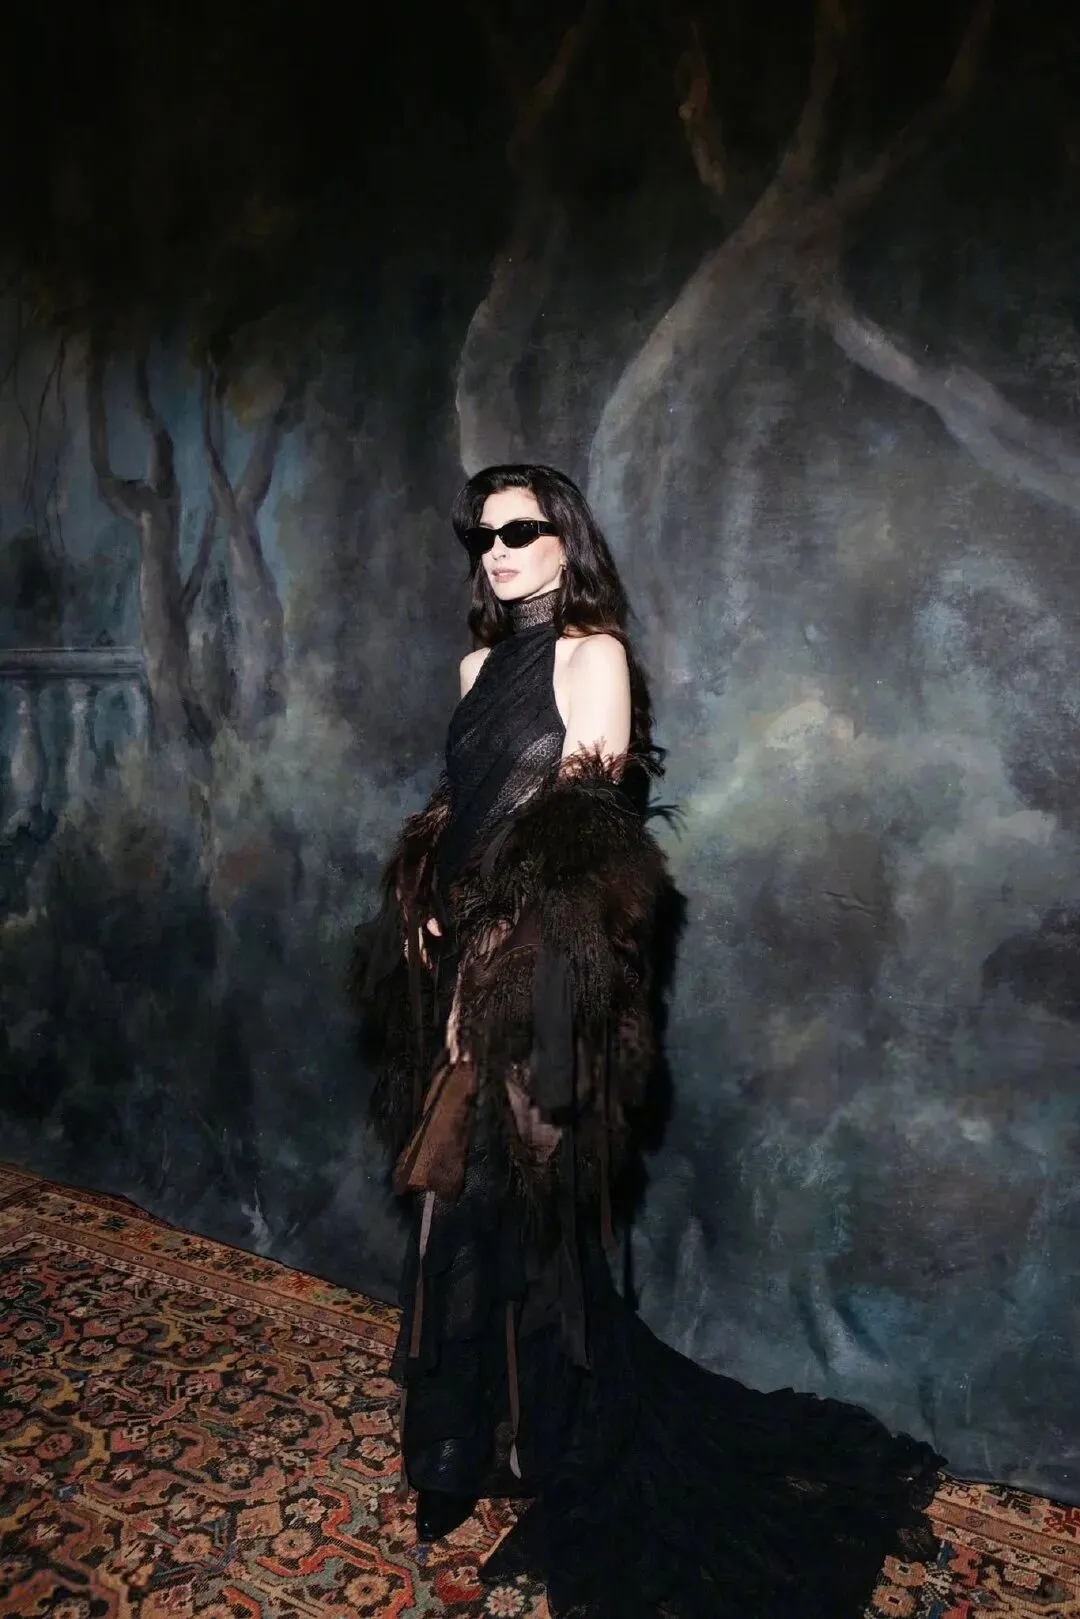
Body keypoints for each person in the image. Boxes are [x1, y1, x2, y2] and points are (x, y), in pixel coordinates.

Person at [350, 463, 945, 1619]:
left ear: (565, 537)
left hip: (548, 971)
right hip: (463, 956)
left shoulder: (594, 655)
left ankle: (537, 1437)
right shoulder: (475, 667)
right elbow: (466, 804)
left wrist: (509, 966)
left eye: (520, 529)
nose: (497, 550)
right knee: (450, 1195)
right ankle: (454, 1444)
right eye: (480, 535)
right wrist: (428, 885)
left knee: (529, 1193)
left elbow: (588, 836)